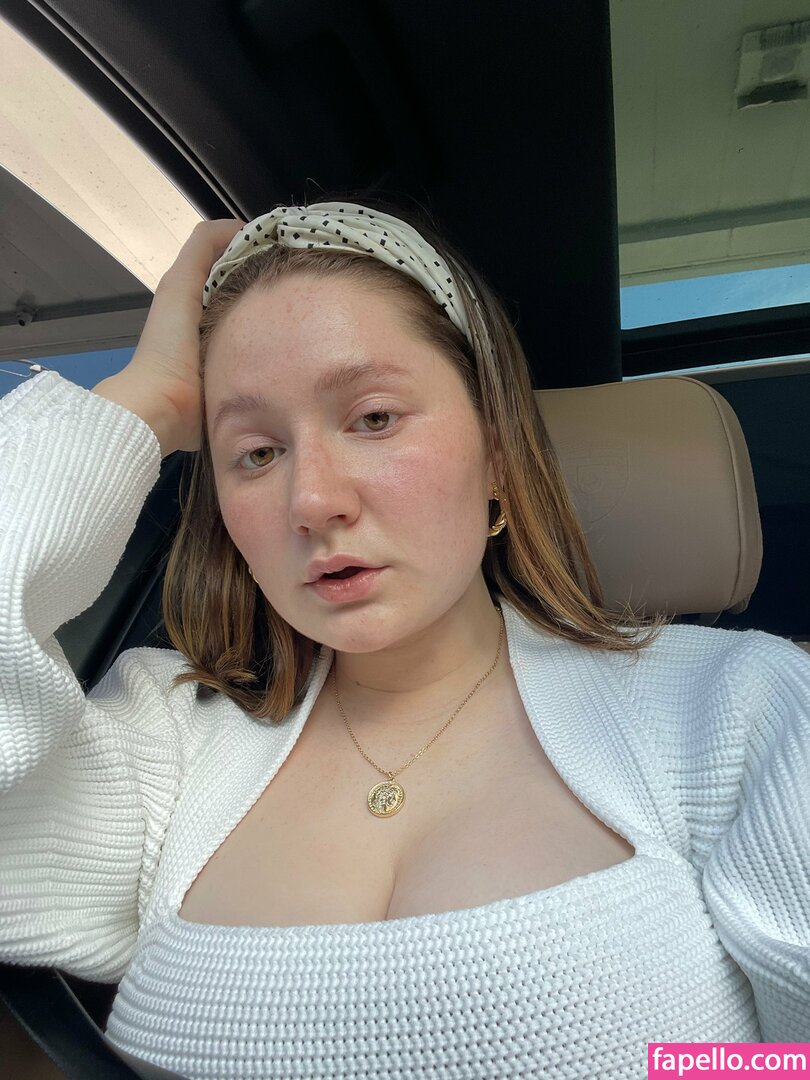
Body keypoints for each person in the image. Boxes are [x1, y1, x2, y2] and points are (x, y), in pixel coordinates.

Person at [0, 196, 808, 1080]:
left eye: (375, 418)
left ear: (495, 450)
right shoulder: (166, 741)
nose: (314, 501)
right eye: (257, 452)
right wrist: (143, 402)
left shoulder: (741, 712)